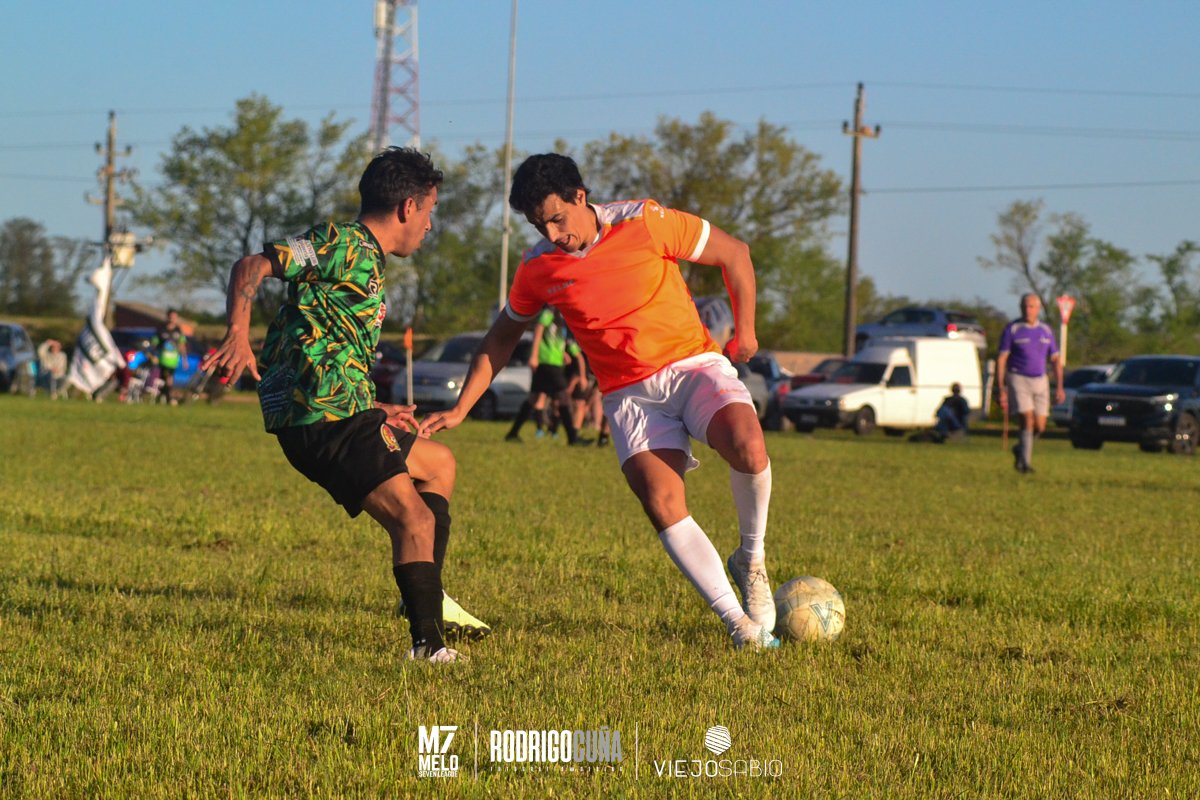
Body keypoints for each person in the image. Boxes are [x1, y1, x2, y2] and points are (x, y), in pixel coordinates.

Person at [421, 153, 779, 651]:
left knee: (748, 447)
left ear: (580, 197)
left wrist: (747, 333)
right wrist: (462, 407)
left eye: (556, 218)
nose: (551, 234)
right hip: (629, 395)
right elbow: (501, 336)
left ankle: (751, 561)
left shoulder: (646, 221)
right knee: (662, 501)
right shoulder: (538, 268)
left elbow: (734, 254)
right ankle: (739, 625)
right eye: (538, 225)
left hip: (692, 366)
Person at [200, 147, 489, 663]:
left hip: (342, 408)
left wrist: (373, 404)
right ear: (407, 207)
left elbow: (327, 340)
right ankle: (428, 646)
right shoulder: (340, 242)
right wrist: (237, 334)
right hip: (322, 416)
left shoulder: (367, 257)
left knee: (438, 464)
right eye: (430, 211)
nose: (429, 225)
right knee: (415, 521)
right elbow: (252, 265)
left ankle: (427, 595)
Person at [996, 293, 1065, 473]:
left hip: (1040, 379)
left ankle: (1021, 448)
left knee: (1040, 426)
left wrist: (1059, 386)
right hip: (1018, 377)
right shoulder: (1013, 329)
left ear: (1038, 309)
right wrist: (1001, 387)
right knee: (1027, 419)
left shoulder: (1046, 330)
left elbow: (1055, 359)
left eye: (1031, 307)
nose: (1028, 310)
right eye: (1025, 306)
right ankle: (1025, 464)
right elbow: (1002, 359)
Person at [505, 307, 590, 444]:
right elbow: (539, 330)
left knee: (534, 398)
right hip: (547, 362)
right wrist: (534, 355)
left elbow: (554, 338)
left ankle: (513, 433)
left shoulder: (562, 316)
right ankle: (572, 438)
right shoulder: (549, 312)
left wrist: (562, 353)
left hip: (554, 362)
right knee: (563, 397)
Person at [153, 309, 189, 404]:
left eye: (174, 317)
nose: (172, 319)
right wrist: (154, 355)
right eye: (171, 317)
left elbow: (182, 345)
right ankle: (165, 397)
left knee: (169, 378)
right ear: (167, 317)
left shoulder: (178, 330)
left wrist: (185, 360)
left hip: (173, 360)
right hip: (162, 359)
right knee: (163, 378)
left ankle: (166, 397)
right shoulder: (161, 329)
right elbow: (155, 343)